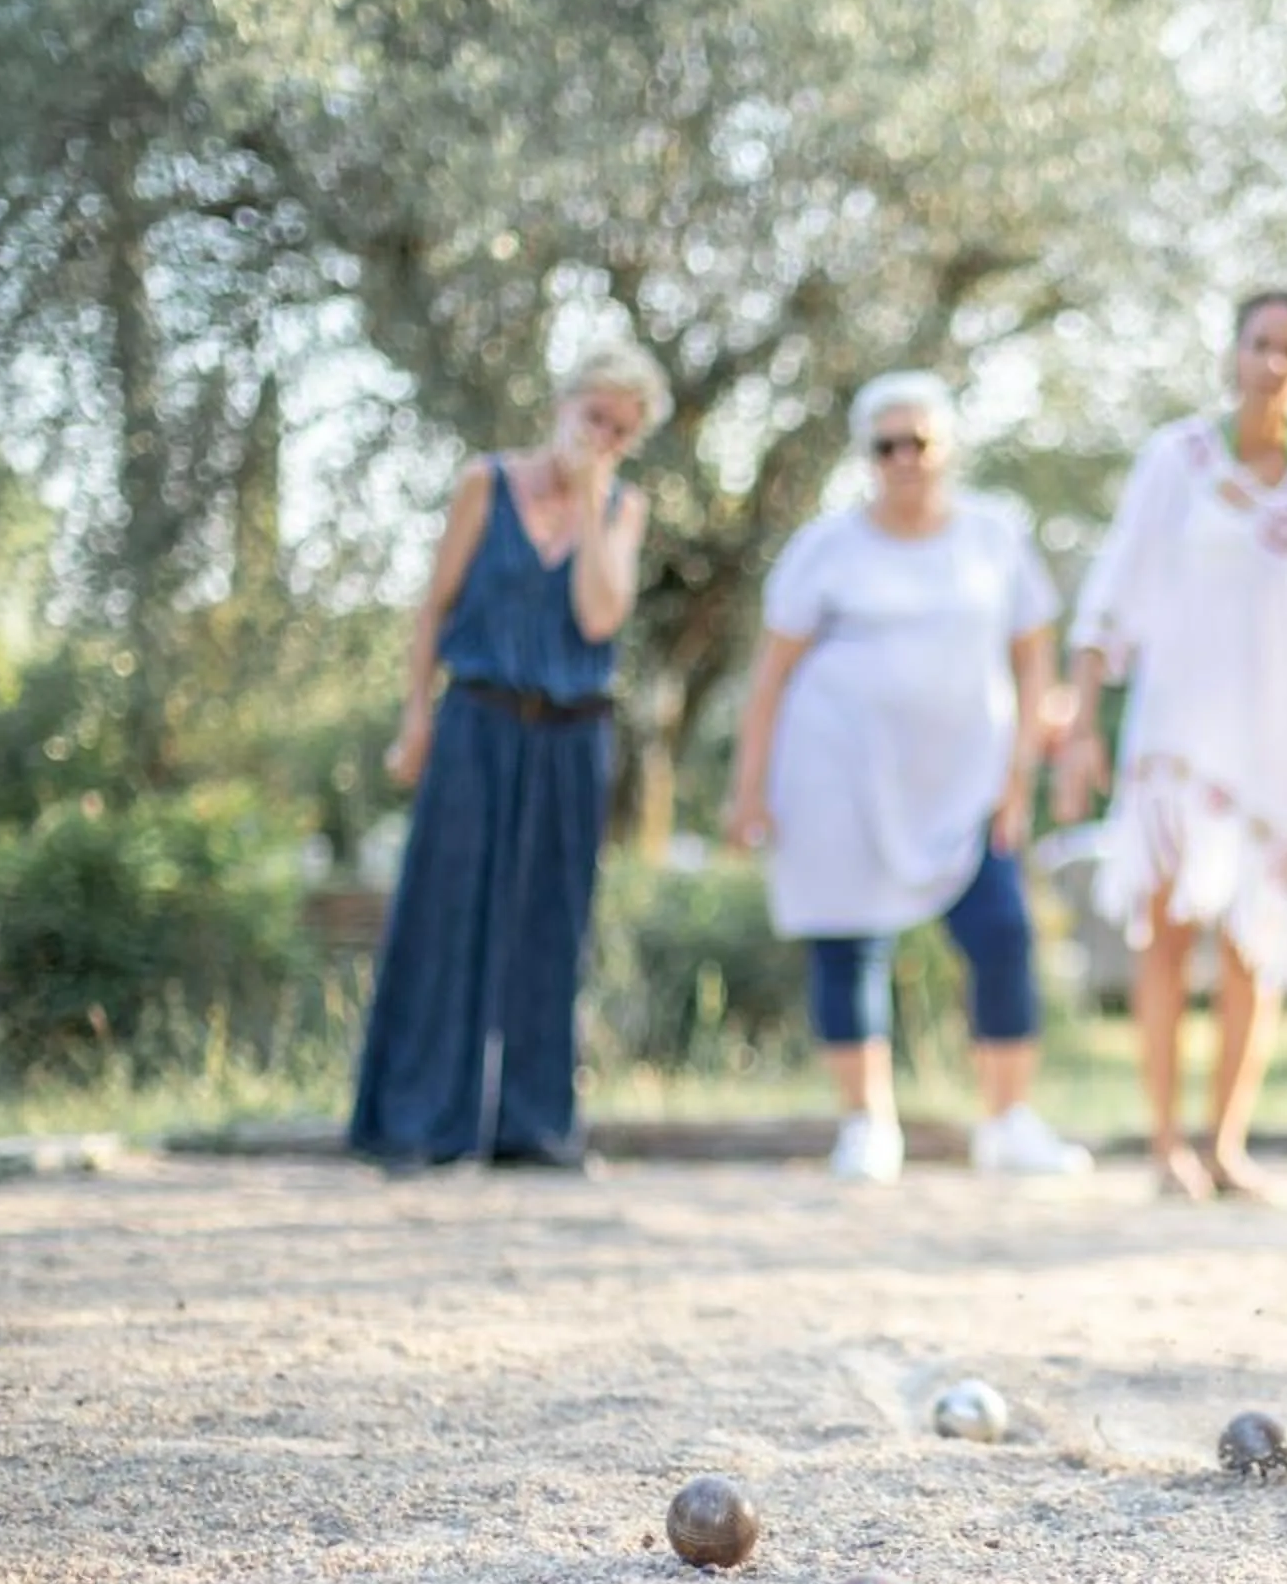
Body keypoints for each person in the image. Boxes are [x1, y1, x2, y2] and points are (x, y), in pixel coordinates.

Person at [722, 370, 1091, 1184]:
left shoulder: (994, 537)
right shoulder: (825, 548)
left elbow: (1035, 660)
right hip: (838, 776)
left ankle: (1007, 1122)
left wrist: (1020, 772)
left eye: (916, 441)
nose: (902, 459)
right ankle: (867, 1126)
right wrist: (748, 789)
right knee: (848, 946)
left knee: (1002, 934)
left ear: (946, 447)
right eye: (884, 446)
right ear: (866, 457)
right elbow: (770, 676)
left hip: (968, 781)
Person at [1051, 291, 1287, 1200]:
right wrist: (1082, 723)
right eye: (1259, 344)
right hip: (1182, 730)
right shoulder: (1178, 459)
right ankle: (1166, 1147)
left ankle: (1227, 1145)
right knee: (1167, 931)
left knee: (1257, 943)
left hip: (1285, 738)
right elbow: (1112, 592)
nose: (1272, 364)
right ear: (1233, 354)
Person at [349, 339, 667, 1173]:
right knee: (445, 915)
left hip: (573, 735)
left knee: (551, 926)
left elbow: (600, 619)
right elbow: (432, 610)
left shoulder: (624, 510)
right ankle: (418, 1123)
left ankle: (535, 1126)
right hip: (478, 723)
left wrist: (596, 503)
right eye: (595, 417)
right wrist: (415, 720)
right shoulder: (483, 485)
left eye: (621, 432)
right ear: (563, 405)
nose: (603, 437)